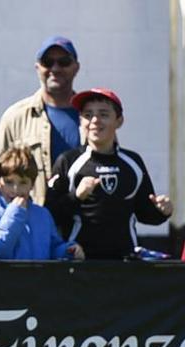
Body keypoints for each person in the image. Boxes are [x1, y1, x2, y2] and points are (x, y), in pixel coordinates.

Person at [45, 88, 172, 259]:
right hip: (79, 263)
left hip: (125, 262)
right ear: (80, 121)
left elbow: (146, 214)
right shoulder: (68, 161)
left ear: (119, 121)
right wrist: (76, 196)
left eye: (103, 114)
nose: (95, 121)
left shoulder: (133, 162)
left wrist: (162, 212)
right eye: (88, 115)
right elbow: (49, 215)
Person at [0, 36, 81, 204]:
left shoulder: (91, 118)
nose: (55, 68)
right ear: (37, 68)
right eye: (47, 62)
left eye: (64, 62)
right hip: (33, 226)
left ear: (76, 67)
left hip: (82, 225)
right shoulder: (14, 118)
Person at [0, 147, 84, 260]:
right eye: (9, 182)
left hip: (39, 277)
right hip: (6, 277)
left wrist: (68, 251)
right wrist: (15, 214)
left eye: (23, 182)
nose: (15, 189)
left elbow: (53, 248)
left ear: (32, 184)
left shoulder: (43, 214)